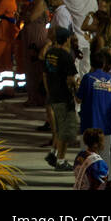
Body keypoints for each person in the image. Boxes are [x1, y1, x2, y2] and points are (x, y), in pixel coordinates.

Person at [43, 27, 79, 170]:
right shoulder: (66, 56)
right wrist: (75, 91)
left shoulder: (49, 54)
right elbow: (70, 79)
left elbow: (45, 75)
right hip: (64, 97)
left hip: (53, 95)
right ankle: (61, 160)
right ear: (67, 39)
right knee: (66, 129)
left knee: (58, 127)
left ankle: (53, 153)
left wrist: (49, 92)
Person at [78, 50, 111, 134]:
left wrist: (74, 88)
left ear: (91, 63)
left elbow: (78, 99)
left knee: (87, 147)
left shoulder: (87, 78)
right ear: (104, 64)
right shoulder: (110, 79)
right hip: (106, 126)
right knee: (104, 147)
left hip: (88, 125)